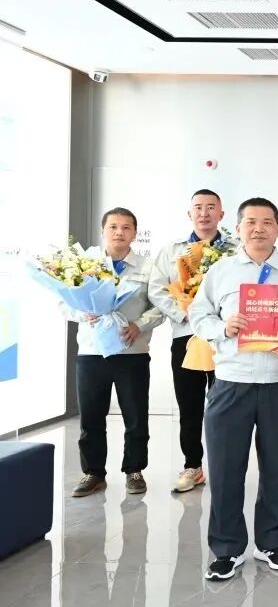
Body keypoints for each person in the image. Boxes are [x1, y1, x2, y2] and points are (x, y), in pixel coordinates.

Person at [189, 197, 278, 580]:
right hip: (231, 383)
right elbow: (198, 314)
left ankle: (272, 543)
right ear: (238, 228)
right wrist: (223, 328)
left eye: (267, 222)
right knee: (225, 470)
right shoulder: (221, 271)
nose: (259, 229)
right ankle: (227, 549)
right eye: (251, 222)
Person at [66, 208, 164, 497]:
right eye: (113, 227)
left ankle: (134, 470)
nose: (119, 232)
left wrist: (139, 325)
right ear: (103, 230)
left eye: (126, 227)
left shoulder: (149, 267)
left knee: (136, 416)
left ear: (135, 233)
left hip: (131, 352)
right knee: (91, 416)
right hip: (91, 352)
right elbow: (63, 302)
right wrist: (83, 313)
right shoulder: (84, 264)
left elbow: (161, 306)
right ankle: (93, 473)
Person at [147, 189, 231, 494]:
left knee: (226, 406)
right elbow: (157, 289)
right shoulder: (171, 250)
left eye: (211, 207)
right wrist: (185, 313)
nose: (204, 213)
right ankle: (193, 466)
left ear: (221, 214)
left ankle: (225, 465)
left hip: (223, 338)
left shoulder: (235, 250)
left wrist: (219, 319)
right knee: (190, 405)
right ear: (189, 213)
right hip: (186, 336)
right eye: (198, 207)